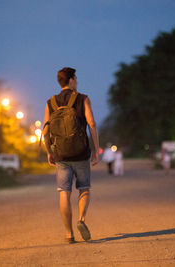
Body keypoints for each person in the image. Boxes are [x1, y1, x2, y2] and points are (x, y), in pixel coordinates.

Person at [43, 67, 99, 244]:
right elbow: (92, 124)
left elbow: (45, 129)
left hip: (62, 156)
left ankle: (69, 234)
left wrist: (49, 152)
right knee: (84, 188)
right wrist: (95, 150)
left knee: (63, 193)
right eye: (76, 78)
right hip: (81, 154)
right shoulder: (83, 98)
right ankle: (81, 220)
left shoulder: (51, 102)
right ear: (72, 80)